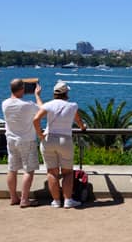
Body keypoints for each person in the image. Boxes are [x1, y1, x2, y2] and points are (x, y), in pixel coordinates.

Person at [32, 81, 87, 209]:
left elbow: (36, 119)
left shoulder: (48, 105)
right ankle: (68, 200)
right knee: (68, 173)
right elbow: (79, 121)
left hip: (48, 140)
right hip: (64, 140)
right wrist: (83, 127)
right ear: (66, 93)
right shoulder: (72, 106)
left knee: (52, 172)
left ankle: (56, 201)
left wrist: (40, 134)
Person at [2, 79, 42, 208]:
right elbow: (43, 110)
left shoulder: (5, 104)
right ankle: (24, 199)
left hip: (11, 140)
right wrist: (37, 95)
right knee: (28, 170)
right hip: (26, 140)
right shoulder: (28, 105)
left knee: (12, 169)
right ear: (21, 89)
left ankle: (13, 197)